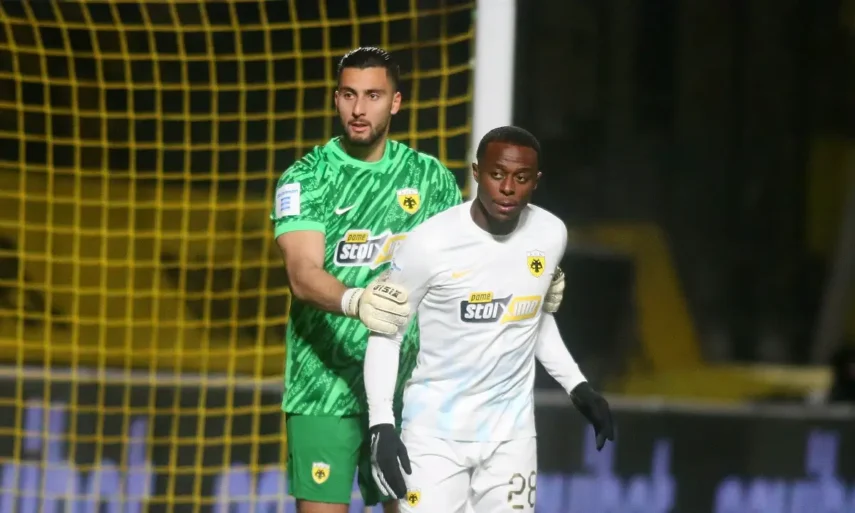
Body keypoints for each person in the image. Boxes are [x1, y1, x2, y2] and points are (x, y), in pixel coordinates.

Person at [270, 48, 566, 512]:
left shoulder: (430, 179)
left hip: (408, 394)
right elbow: (302, 275)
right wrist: (357, 301)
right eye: (348, 94)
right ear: (336, 98)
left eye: (373, 95)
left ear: (396, 102)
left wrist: (535, 276)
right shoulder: (306, 179)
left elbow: (468, 261)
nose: (359, 108)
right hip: (323, 388)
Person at [363, 126, 615, 512]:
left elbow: (531, 318)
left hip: (511, 440)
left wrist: (578, 386)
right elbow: (387, 332)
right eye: (497, 174)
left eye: (521, 177)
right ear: (477, 172)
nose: (508, 188)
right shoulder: (429, 243)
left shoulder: (551, 234)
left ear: (536, 181)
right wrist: (381, 423)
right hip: (434, 439)